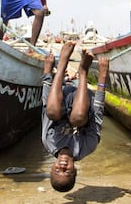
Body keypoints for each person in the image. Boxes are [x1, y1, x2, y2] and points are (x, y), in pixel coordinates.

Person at [41, 42, 109, 192]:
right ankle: (83, 71)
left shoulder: (49, 141)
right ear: (75, 170)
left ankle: (61, 66)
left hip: (62, 96)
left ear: (52, 167)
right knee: (77, 119)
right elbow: (97, 112)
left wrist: (47, 72)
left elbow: (46, 104)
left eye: (57, 170)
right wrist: (102, 77)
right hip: (82, 102)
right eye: (67, 171)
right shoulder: (87, 146)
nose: (62, 167)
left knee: (51, 112)